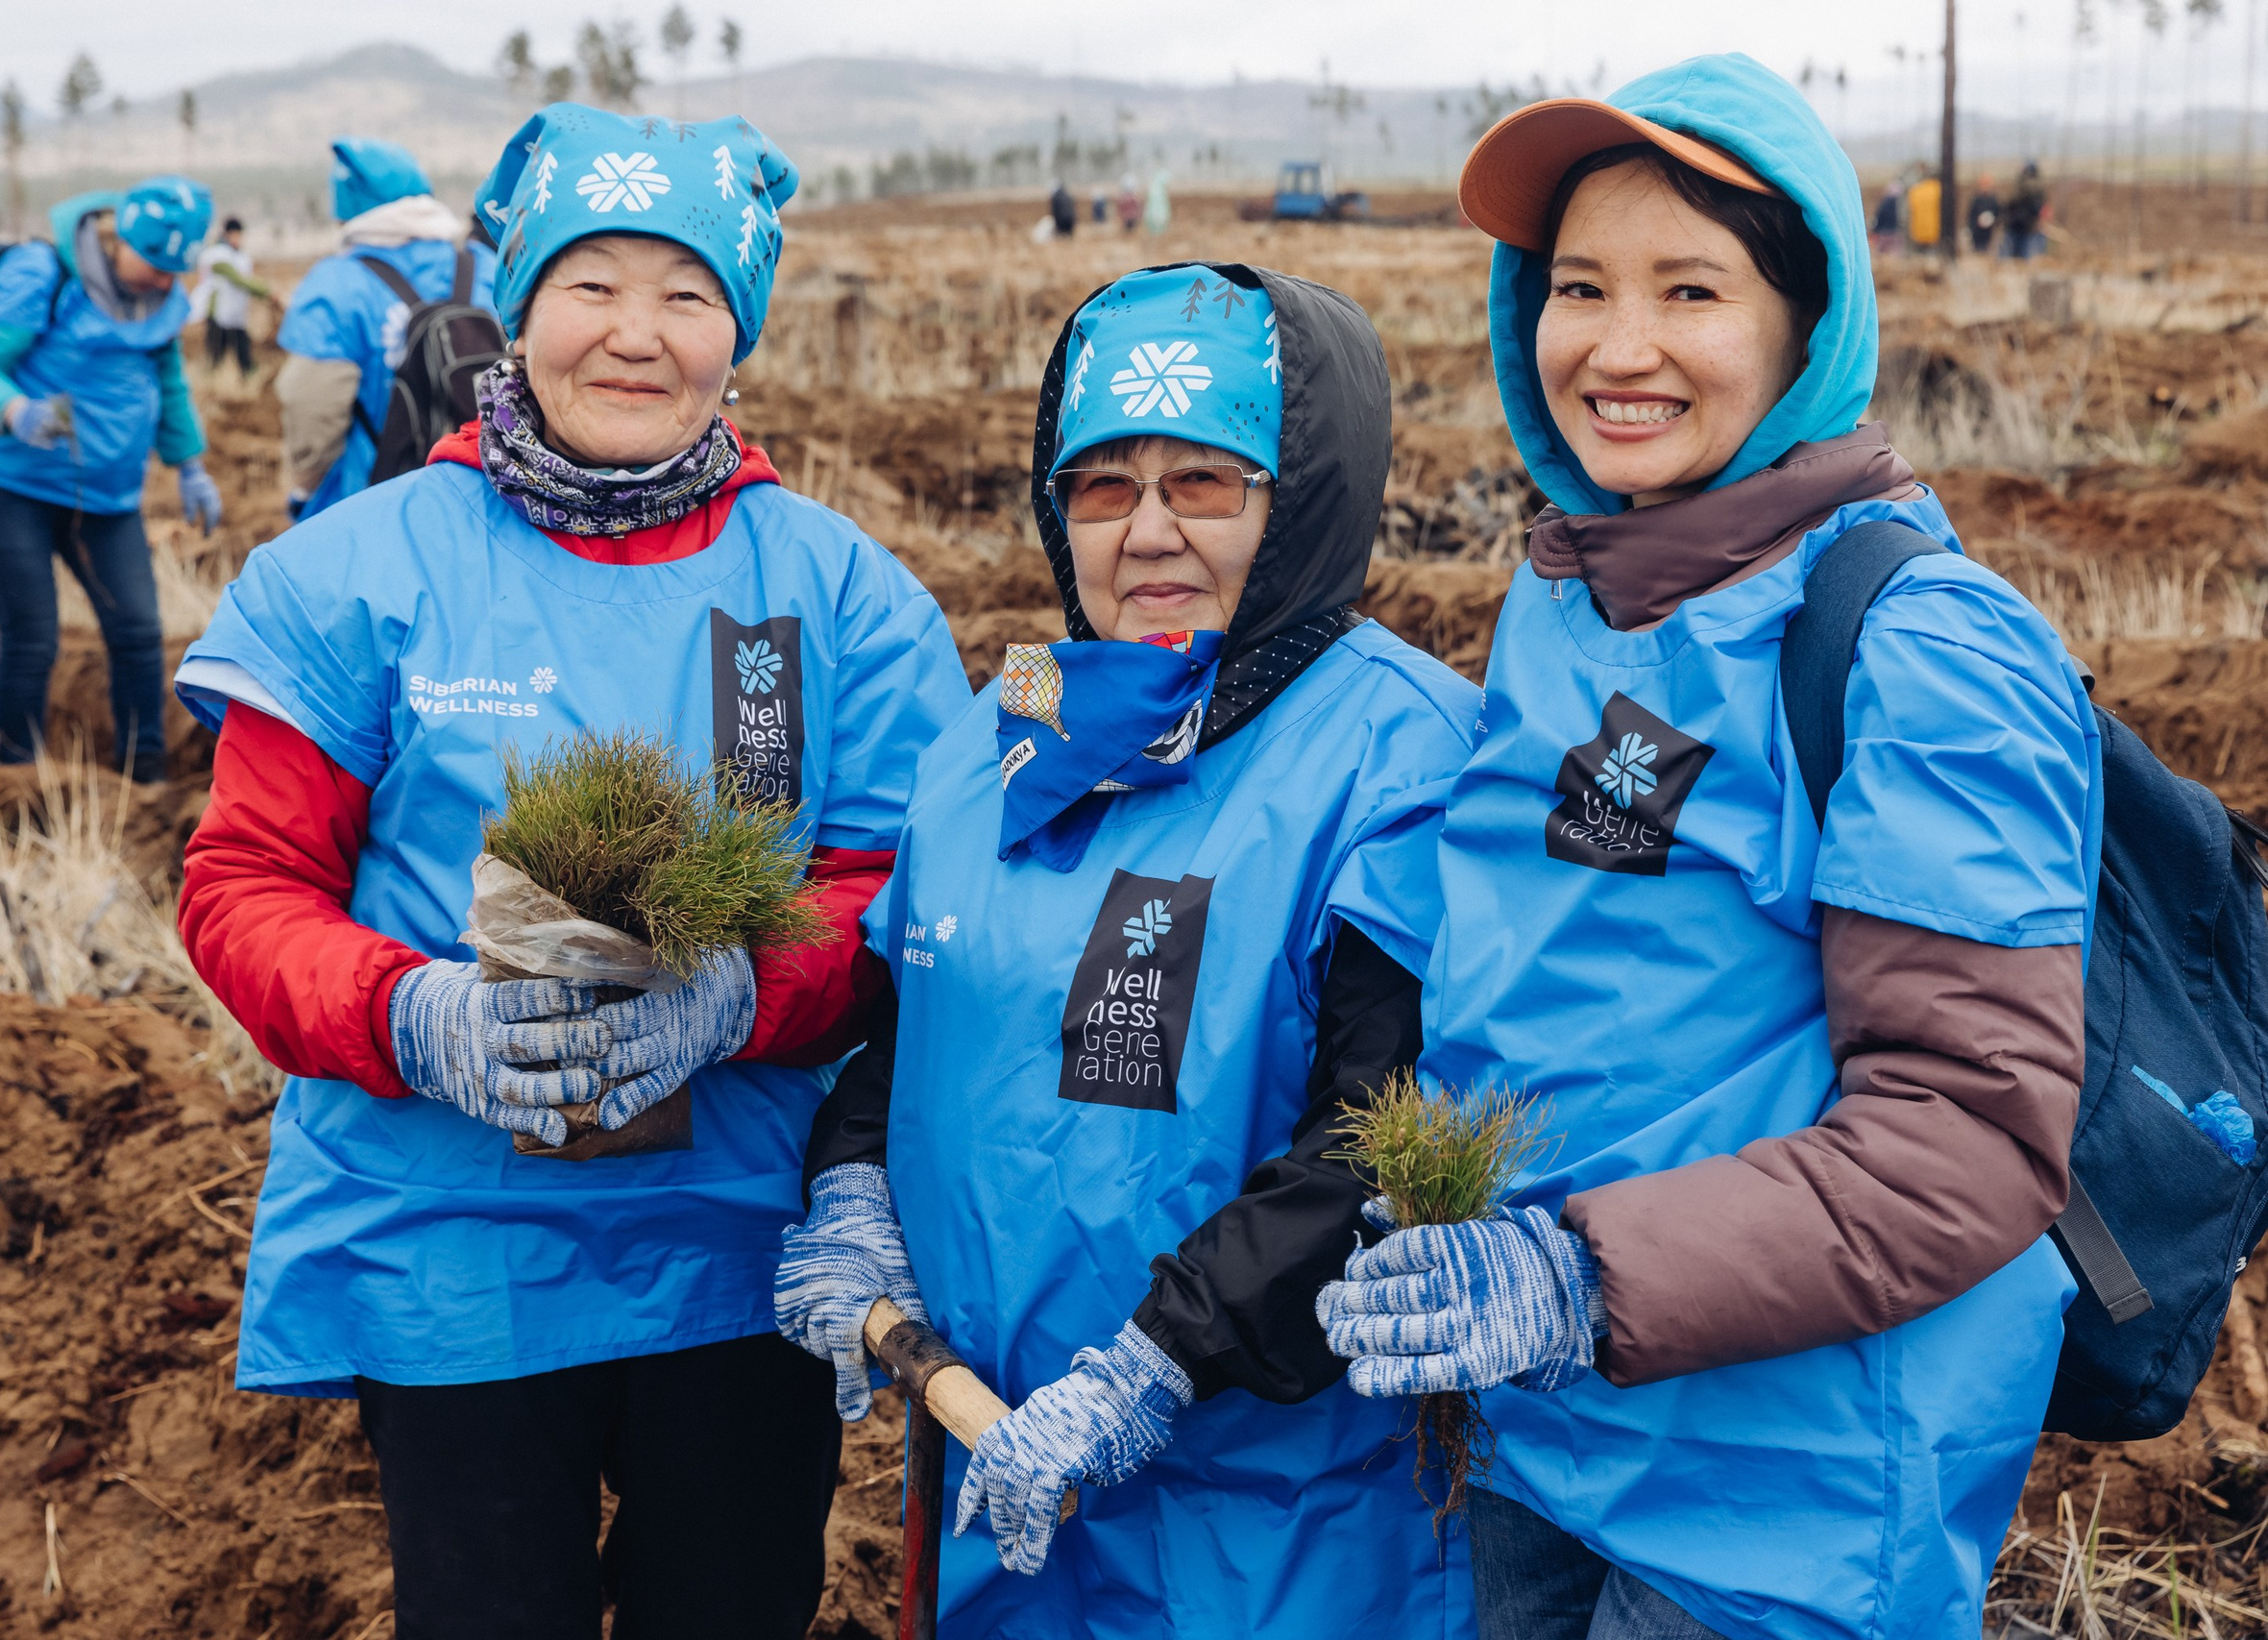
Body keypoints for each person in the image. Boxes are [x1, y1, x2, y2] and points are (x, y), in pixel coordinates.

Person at [171, 103, 970, 1639]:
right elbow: (245, 887)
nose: (635, 334)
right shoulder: (363, 569)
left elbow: (903, 895)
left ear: (735, 331)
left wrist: (742, 993)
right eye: (590, 283)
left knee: (730, 1607)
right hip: (450, 1249)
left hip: (747, 1241)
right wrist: (420, 1018)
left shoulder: (839, 592)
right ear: (515, 302)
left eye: (687, 294)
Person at [1322, 58, 2097, 1640]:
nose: (1618, 349)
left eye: (1692, 289)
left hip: (1783, 1515)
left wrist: (1577, 1278)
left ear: (1807, 326)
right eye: (1579, 286)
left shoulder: (1915, 644)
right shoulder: (1569, 592)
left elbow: (1967, 1136)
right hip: (1548, 1440)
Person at [776, 264, 1482, 1637]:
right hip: (999, 1480)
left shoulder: (1401, 753)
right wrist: (849, 1183)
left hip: (1279, 1523)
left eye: (1206, 484)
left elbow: (1379, 1131)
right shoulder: (1005, 729)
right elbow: (923, 1021)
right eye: (1104, 486)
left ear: (1301, 505)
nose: (1148, 532)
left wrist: (1154, 1366)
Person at [0, 174, 218, 781]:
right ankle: (19, 778)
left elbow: (168, 384)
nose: (165, 281)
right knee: (34, 637)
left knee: (139, 632)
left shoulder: (162, 302)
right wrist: (16, 411)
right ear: (119, 238)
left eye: (177, 270)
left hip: (107, 494)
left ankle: (144, 780)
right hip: (8, 484)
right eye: (153, 263)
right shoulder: (41, 274)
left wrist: (190, 465)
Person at [275, 136, 497, 520]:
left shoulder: (335, 285)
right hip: (489, 494)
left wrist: (307, 486)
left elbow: (312, 405)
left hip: (377, 504)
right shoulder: (486, 268)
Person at [193, 216, 272, 377]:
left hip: (236, 314)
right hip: (218, 314)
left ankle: (248, 380)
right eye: (234, 235)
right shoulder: (216, 256)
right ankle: (210, 386)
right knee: (216, 356)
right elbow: (238, 279)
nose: (237, 239)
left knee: (243, 354)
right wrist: (266, 291)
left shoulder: (241, 256)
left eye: (239, 235)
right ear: (227, 235)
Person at [2005, 159, 2049, 258]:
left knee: (2022, 253)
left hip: (2024, 224)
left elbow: (2035, 206)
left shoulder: (2028, 186)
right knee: (2022, 252)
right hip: (2021, 223)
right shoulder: (2037, 187)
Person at [1906, 165, 1942, 254]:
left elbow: (1909, 212)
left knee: (1920, 258)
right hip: (1935, 231)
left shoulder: (1915, 190)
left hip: (1918, 232)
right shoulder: (1939, 189)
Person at [1967, 173, 2002, 254]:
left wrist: (1993, 221)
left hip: (1989, 232)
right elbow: (1971, 215)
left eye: (1987, 183)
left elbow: (1998, 213)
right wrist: (1972, 228)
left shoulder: (1994, 199)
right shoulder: (1976, 199)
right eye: (1983, 183)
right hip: (1977, 232)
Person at [1869, 177, 1904, 256]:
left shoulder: (1885, 203)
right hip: (1895, 232)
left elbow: (1880, 217)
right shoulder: (1901, 204)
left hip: (1884, 232)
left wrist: (1876, 230)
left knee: (1882, 254)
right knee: (1893, 255)